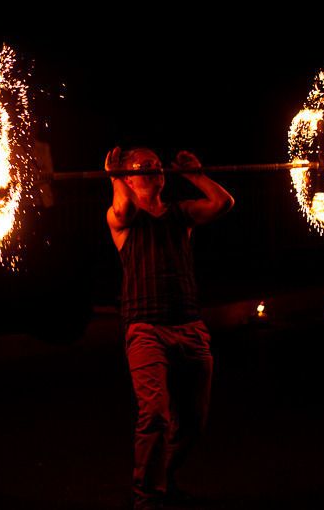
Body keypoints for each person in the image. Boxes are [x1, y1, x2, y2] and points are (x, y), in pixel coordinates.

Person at [105, 146, 234, 509]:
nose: (154, 169)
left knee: (193, 422)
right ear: (128, 178)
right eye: (143, 166)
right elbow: (125, 207)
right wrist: (115, 177)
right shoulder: (122, 219)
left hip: (190, 326)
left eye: (157, 166)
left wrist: (195, 175)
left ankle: (163, 477)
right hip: (146, 328)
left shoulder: (181, 214)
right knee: (156, 413)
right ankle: (146, 495)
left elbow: (223, 203)